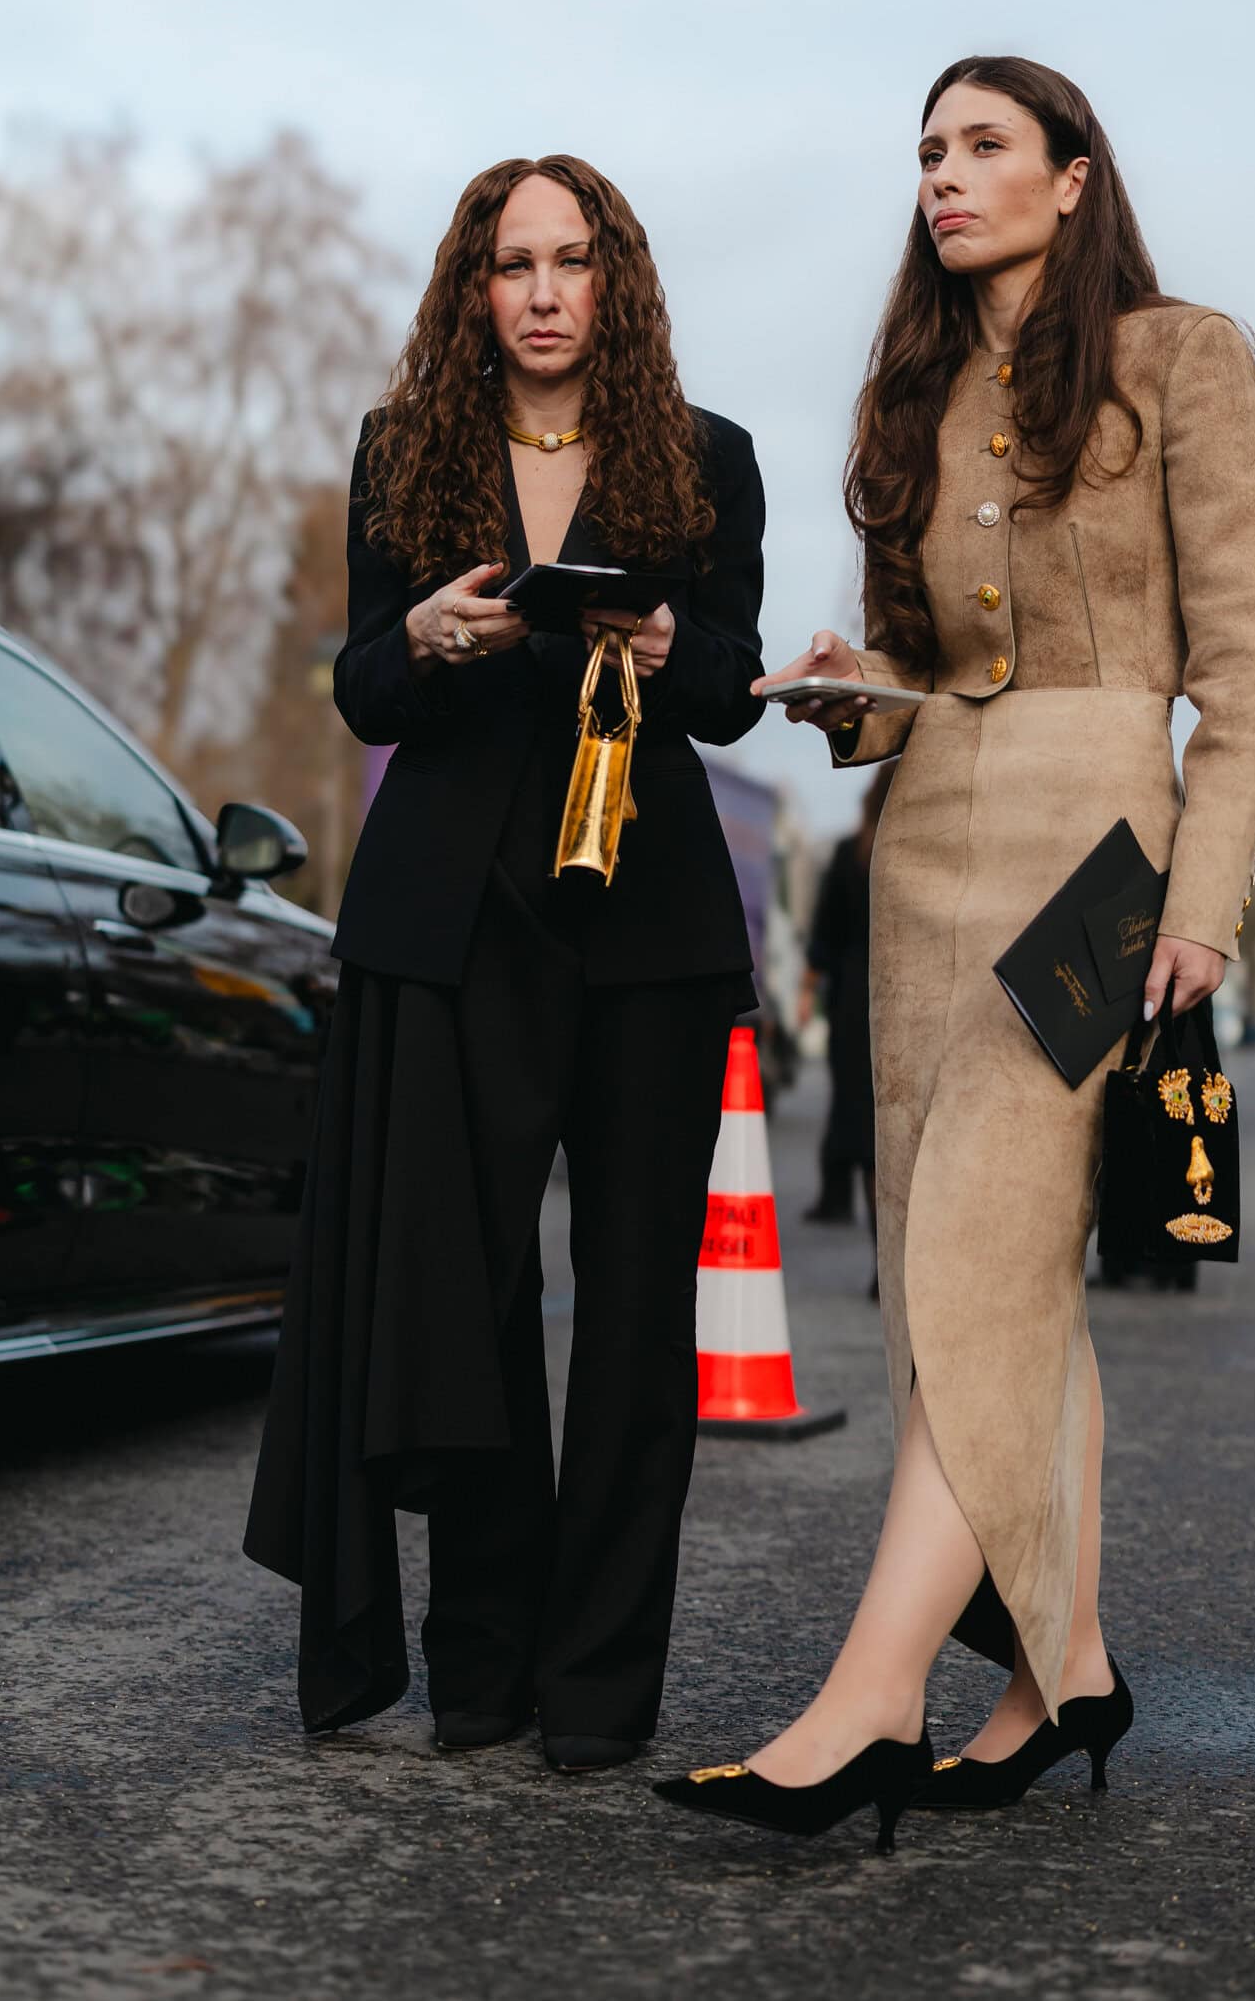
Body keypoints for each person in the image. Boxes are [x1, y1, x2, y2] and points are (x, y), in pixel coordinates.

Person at [655, 55, 1255, 1851]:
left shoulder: (1185, 358)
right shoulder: (919, 392)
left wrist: (1200, 901)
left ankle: (866, 1702)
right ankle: (1063, 1664)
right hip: (923, 854)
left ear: (1073, 178)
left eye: (984, 145)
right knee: (975, 1272)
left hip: (1102, 860)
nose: (943, 175)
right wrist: (848, 697)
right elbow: (933, 685)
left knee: (983, 1264)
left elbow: (1239, 668)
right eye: (927, 149)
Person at [245, 155, 765, 1776]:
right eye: (510, 263)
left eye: (570, 260)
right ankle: (482, 1669)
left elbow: (735, 688)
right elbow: (360, 687)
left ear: (616, 281)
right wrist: (430, 640)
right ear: (473, 287)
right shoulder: (403, 452)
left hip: (646, 933)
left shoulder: (707, 459)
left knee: (629, 1323)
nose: (541, 292)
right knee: (460, 1315)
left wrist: (677, 653)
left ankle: (597, 1689)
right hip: (452, 928)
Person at [800, 771, 893, 1281]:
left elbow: (824, 937)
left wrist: (810, 993)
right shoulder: (921, 851)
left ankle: (883, 1265)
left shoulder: (849, 854)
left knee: (865, 1132)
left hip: (854, 1005)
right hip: (907, 989)